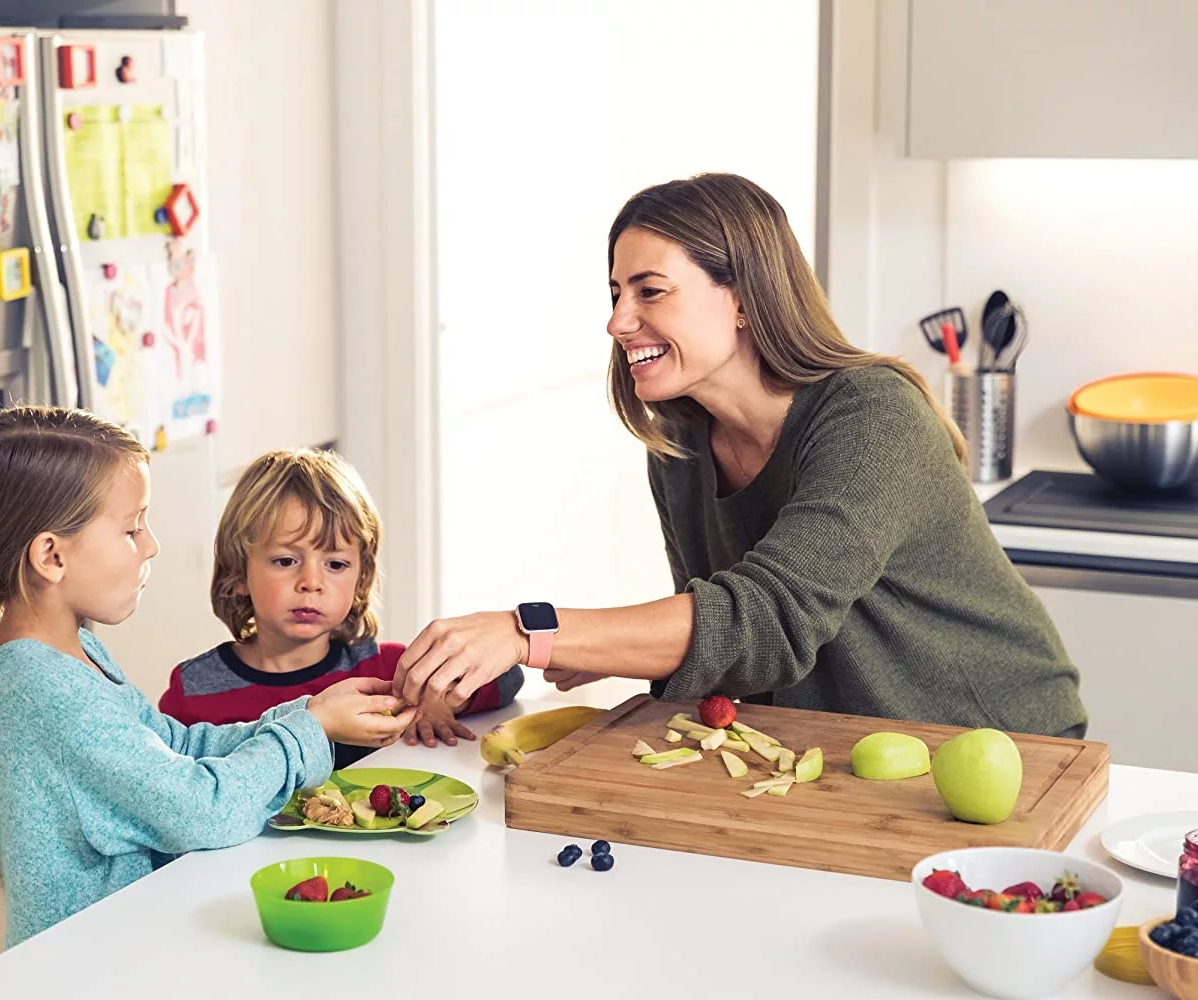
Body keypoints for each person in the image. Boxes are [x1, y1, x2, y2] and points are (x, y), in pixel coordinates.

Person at [392, 172, 1087, 739]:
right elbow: (734, 650)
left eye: (650, 291)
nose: (617, 321)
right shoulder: (680, 444)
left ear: (745, 299)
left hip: (998, 743)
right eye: (614, 294)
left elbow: (767, 619)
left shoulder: (874, 416)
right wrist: (596, 648)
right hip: (846, 754)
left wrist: (532, 633)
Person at [0, 406, 416, 946]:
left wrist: (310, 713)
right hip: (90, 972)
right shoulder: (45, 691)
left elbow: (173, 743)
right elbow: (202, 810)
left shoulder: (70, 652)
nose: (151, 544)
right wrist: (310, 733)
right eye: (132, 529)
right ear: (51, 556)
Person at [161, 447, 522, 766]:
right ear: (239, 572)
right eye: (286, 561)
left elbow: (508, 679)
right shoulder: (194, 692)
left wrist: (436, 699)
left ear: (360, 580)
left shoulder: (387, 673)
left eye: (336, 565)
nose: (311, 582)